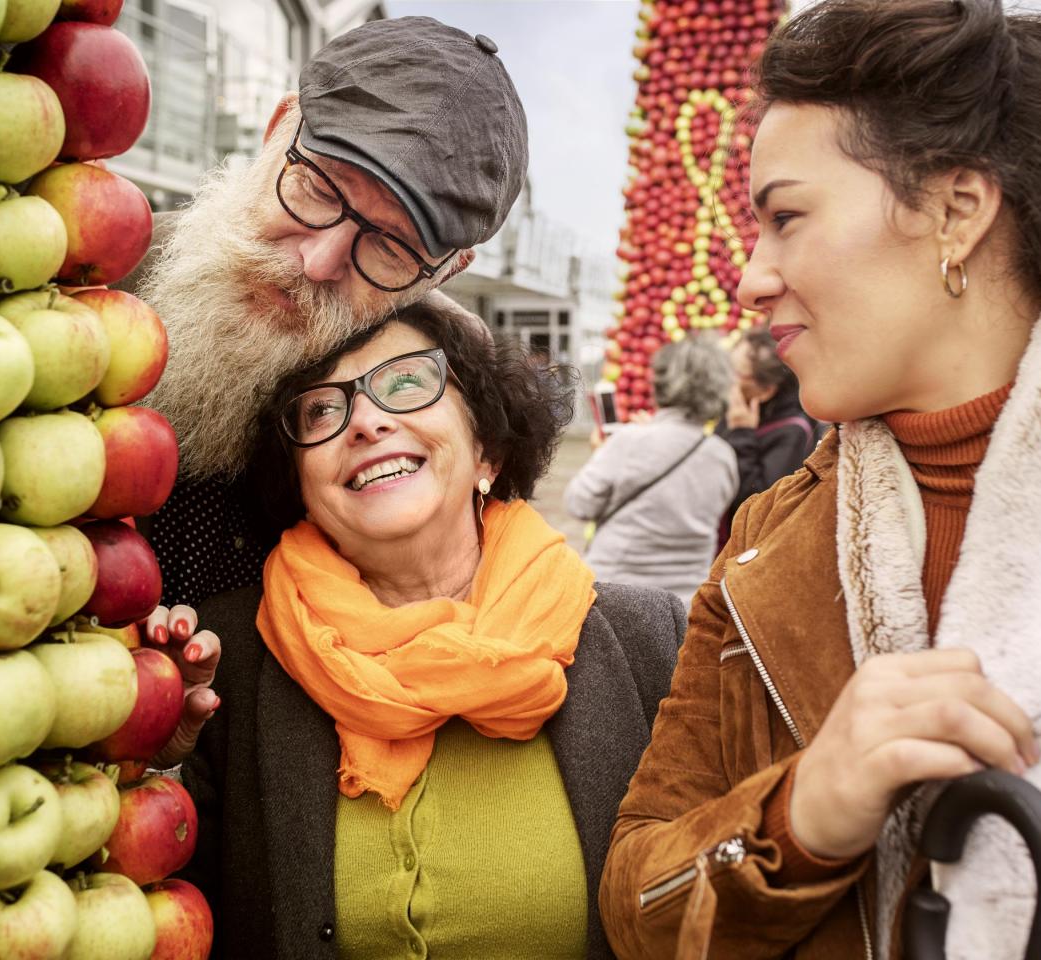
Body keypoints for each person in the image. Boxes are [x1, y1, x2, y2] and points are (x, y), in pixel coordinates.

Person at [599, 2, 1041, 959]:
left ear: (956, 210)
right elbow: (636, 909)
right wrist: (798, 815)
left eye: (787, 217)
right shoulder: (765, 551)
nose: (750, 279)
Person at [172, 300, 687, 958]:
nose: (366, 421)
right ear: (302, 483)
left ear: (487, 451)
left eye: (407, 383)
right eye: (322, 410)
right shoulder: (231, 656)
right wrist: (159, 756)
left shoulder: (649, 642)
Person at [119, 15, 530, 759]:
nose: (318, 260)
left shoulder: (430, 408)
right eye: (314, 187)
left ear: (443, 273)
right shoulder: (77, 279)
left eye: (391, 247)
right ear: (280, 125)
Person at [564, 334, 739, 607]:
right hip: (685, 604)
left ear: (661, 383)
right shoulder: (723, 456)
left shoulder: (630, 441)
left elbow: (579, 504)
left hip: (615, 595)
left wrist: (603, 452)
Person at [721, 328, 819, 515]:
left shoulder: (792, 431)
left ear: (766, 391)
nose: (726, 378)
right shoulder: (743, 403)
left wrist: (741, 434)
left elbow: (758, 505)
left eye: (737, 373)